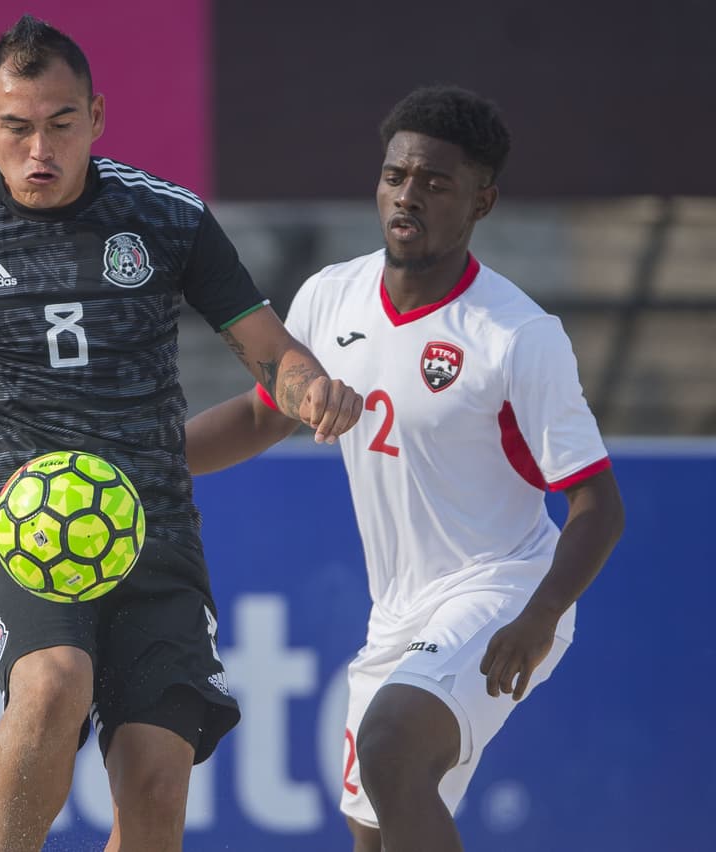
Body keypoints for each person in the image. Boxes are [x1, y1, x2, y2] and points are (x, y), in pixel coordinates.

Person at [0, 14, 361, 852]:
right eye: (18, 127)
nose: (40, 149)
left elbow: (268, 351)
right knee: (52, 684)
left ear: (97, 118)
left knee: (153, 790)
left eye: (61, 124)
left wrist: (309, 386)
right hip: (22, 531)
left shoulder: (168, 218)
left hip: (156, 532)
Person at [186, 85, 625, 852]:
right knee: (373, 831)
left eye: (435, 182)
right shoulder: (332, 295)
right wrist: (141, 462)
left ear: (481, 201)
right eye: (396, 176)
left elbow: (598, 505)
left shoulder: (518, 335)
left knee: (391, 748)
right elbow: (262, 415)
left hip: (503, 591)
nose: (408, 195)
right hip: (397, 615)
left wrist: (540, 615)